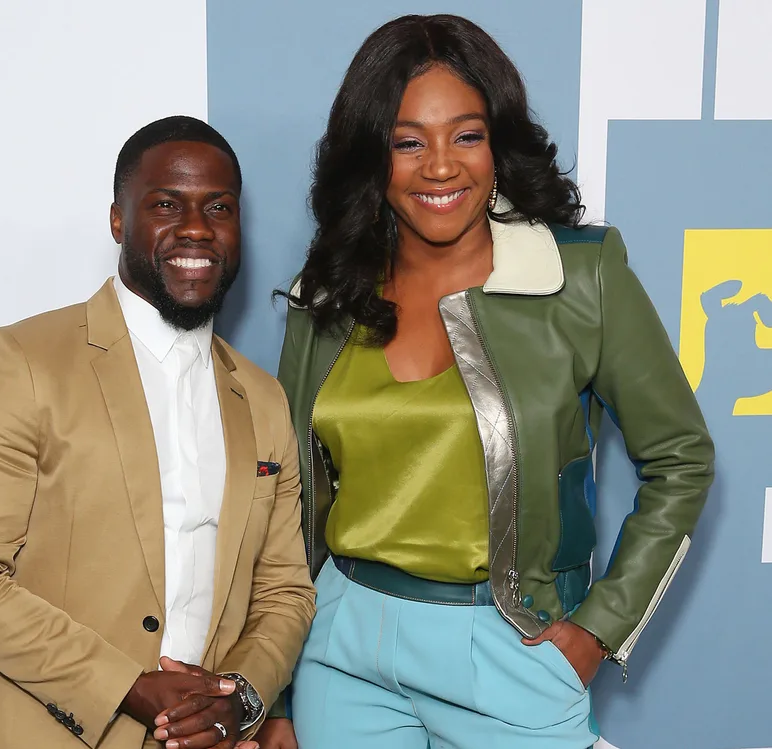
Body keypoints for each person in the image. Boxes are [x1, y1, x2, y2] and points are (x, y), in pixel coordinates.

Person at [258, 14, 714, 749]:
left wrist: (598, 629)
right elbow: (287, 500)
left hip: (508, 644)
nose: (440, 166)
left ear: (498, 143)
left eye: (465, 135)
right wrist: (281, 692)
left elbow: (682, 456)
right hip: (342, 646)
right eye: (408, 142)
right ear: (373, 157)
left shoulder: (579, 276)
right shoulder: (328, 294)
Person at [0, 116, 315, 749]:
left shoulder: (263, 400)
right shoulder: (20, 361)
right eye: (166, 205)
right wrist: (125, 684)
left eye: (219, 207)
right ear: (117, 220)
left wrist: (240, 697)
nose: (195, 228)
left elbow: (285, 591)